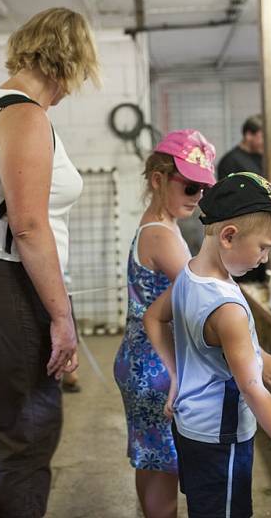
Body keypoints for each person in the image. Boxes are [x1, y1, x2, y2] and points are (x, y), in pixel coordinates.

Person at [0, 7, 100, 518]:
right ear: (69, 59)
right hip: (1, 284)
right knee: (28, 434)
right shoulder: (25, 115)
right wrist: (61, 317)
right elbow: (28, 227)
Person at [144, 172, 271, 517]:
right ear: (229, 236)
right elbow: (254, 391)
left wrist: (177, 376)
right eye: (264, 247)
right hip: (223, 439)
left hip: (190, 426)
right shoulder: (228, 310)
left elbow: (153, 318)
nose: (265, 259)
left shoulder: (191, 274)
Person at [113, 129, 216, 518]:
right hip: (157, 366)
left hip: (143, 360)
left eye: (203, 188)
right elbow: (199, 294)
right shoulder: (161, 234)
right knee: (164, 467)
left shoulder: (158, 225)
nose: (198, 197)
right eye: (190, 187)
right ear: (158, 180)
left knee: (153, 461)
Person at [217, 115, 271, 200]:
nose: (267, 142)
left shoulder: (264, 157)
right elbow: (228, 198)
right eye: (264, 137)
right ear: (249, 135)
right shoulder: (230, 161)